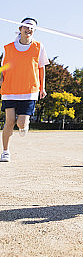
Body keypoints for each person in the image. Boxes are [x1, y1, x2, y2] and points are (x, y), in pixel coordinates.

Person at [1, 18, 48, 162]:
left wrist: (42, 87)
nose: (29, 30)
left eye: (32, 28)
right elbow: (3, 67)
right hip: (10, 89)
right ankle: (5, 152)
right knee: (9, 121)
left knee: (21, 123)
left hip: (29, 90)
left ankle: (23, 126)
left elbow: (41, 68)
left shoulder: (39, 47)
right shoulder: (8, 48)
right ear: (20, 29)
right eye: (26, 27)